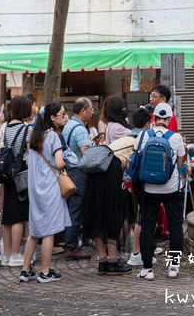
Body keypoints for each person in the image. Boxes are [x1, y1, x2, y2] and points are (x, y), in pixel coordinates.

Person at [20, 101, 71, 284]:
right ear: (52, 117)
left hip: (35, 188)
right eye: (62, 114)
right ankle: (45, 272)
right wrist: (65, 161)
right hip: (50, 187)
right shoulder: (54, 137)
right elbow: (58, 163)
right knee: (48, 232)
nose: (65, 117)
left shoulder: (35, 135)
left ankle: (25, 271)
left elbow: (27, 162)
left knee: (35, 231)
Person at [80, 96, 131, 275]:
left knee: (98, 217)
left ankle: (103, 261)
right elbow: (139, 137)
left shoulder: (108, 126)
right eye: (124, 109)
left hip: (98, 175)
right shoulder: (118, 127)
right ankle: (113, 260)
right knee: (112, 216)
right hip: (110, 175)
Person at [135, 102, 186, 282]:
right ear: (170, 119)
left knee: (148, 227)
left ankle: (147, 268)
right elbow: (180, 162)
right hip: (171, 188)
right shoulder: (176, 138)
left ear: (154, 119)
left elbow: (137, 157)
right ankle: (174, 266)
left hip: (149, 188)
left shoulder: (143, 136)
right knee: (175, 227)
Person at [0, 95, 33, 267]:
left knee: (7, 215)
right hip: (20, 175)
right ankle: (14, 254)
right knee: (19, 216)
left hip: (6, 174)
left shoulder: (5, 127)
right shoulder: (27, 129)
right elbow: (29, 155)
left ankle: (5, 254)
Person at [62, 97, 93, 261]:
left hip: (69, 172)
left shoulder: (68, 125)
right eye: (91, 109)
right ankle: (72, 247)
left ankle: (72, 244)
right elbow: (86, 154)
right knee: (75, 211)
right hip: (78, 173)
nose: (92, 112)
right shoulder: (80, 129)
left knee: (71, 210)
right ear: (83, 111)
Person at [124, 107, 151, 267]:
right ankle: (136, 253)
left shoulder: (127, 136)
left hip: (125, 181)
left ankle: (121, 250)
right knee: (139, 218)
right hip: (138, 183)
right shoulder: (143, 138)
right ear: (148, 123)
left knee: (129, 218)